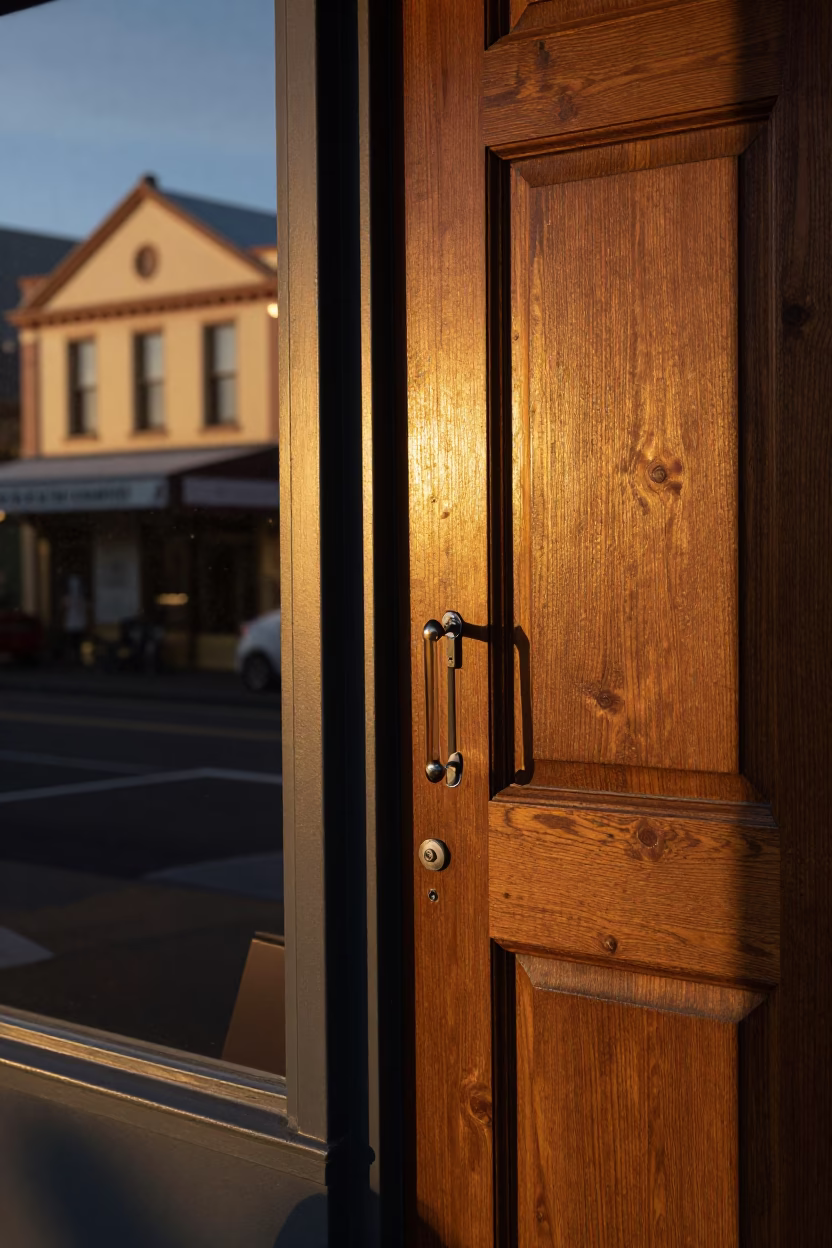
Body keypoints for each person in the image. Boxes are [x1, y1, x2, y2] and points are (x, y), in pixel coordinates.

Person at [61, 574, 88, 665]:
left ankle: (76, 658)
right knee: (72, 642)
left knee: (77, 642)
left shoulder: (80, 597)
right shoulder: (69, 597)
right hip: (72, 622)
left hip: (77, 622)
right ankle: (72, 659)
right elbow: (66, 607)